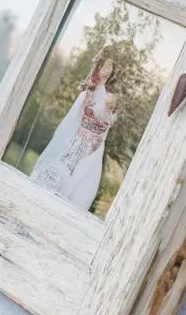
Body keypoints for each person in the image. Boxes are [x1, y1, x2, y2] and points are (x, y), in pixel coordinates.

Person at [30, 50, 119, 210]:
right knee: (65, 172)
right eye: (104, 67)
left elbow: (105, 121)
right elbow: (73, 121)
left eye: (109, 68)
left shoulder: (108, 97)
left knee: (82, 178)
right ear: (97, 68)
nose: (107, 71)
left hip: (93, 144)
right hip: (78, 139)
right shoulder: (87, 95)